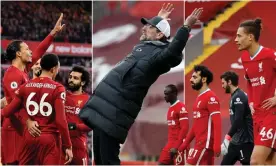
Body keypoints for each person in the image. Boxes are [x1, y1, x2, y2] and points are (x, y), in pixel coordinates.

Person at [79, 3, 203, 164]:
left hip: (114, 112)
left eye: (149, 27)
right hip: (105, 108)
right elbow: (156, 40)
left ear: (159, 35)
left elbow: (173, 51)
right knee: (101, 160)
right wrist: (159, 21)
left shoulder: (159, 57)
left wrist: (186, 27)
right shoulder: (145, 47)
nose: (144, 28)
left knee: (108, 160)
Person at [1, 13, 64, 165]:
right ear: (18, 53)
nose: (31, 52)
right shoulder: (11, 75)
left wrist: (52, 34)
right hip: (14, 128)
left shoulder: (24, 70)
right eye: (27, 49)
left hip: (23, 127)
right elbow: (14, 103)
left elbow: (40, 51)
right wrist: (28, 121)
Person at [1, 53, 73, 165]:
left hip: (29, 138)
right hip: (50, 139)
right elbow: (61, 121)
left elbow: (7, 112)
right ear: (53, 69)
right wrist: (68, 146)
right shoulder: (58, 88)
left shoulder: (25, 87)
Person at [235, 18, 276, 165]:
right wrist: (251, 102)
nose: (235, 40)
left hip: (272, 114)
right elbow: (250, 82)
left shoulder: (270, 55)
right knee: (269, 161)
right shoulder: (245, 58)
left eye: (239, 36)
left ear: (250, 37)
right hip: (257, 116)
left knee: (255, 161)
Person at [178, 65, 221, 165]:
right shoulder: (198, 98)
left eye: (194, 77)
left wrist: (217, 145)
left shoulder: (211, 98)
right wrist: (185, 144)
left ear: (204, 79)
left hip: (205, 144)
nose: (191, 80)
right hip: (200, 143)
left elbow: (217, 123)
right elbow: (195, 126)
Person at [220, 71, 254, 165]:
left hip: (245, 142)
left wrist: (227, 137)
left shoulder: (239, 96)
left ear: (229, 82)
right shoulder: (235, 96)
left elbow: (238, 120)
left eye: (223, 83)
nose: (222, 86)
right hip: (235, 142)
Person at [62, 66, 91, 165]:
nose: (71, 80)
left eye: (75, 78)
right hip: (61, 144)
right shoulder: (62, 95)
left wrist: (74, 126)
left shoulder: (88, 100)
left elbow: (90, 125)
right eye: (70, 77)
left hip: (78, 145)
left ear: (82, 83)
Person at [158, 84, 189, 165]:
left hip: (179, 146)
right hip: (170, 145)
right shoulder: (170, 108)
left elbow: (185, 128)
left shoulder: (181, 107)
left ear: (174, 93)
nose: (164, 96)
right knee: (161, 162)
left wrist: (176, 147)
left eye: (167, 94)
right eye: (164, 94)